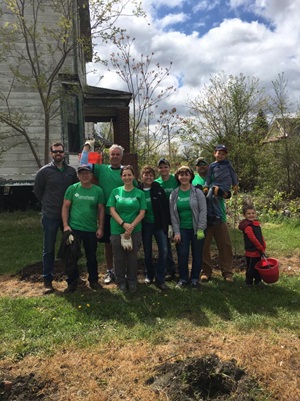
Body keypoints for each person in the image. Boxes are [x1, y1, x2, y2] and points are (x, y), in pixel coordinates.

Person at [80, 143, 129, 285]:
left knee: (124, 244)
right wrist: (87, 148)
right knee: (108, 244)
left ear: (121, 156)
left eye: (117, 154)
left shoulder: (126, 172)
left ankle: (123, 271)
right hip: (107, 214)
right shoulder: (101, 169)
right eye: (112, 154)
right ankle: (110, 270)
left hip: (124, 216)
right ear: (109, 156)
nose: (115, 156)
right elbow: (84, 164)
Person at [34, 141, 77, 294]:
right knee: (49, 249)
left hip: (68, 217)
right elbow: (38, 192)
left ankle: (72, 278)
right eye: (55, 152)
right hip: (50, 216)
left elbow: (75, 190)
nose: (58, 154)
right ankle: (47, 281)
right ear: (51, 153)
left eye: (60, 151)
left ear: (64, 153)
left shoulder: (71, 171)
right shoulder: (44, 172)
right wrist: (48, 204)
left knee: (70, 247)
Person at [61, 164, 105, 293]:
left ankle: (94, 280)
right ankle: (72, 282)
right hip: (74, 229)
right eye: (82, 173)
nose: (84, 176)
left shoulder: (98, 191)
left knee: (91, 256)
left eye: (87, 173)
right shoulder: (72, 189)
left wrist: (100, 227)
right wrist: (65, 226)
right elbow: (65, 207)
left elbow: (101, 209)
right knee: (72, 257)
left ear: (91, 175)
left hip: (91, 229)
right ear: (78, 176)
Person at [107, 165, 146, 293]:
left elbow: (142, 212)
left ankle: (132, 281)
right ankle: (120, 282)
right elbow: (112, 210)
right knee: (119, 257)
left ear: (134, 176)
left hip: (135, 230)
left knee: (132, 257)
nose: (127, 177)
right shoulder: (115, 192)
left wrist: (131, 226)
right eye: (124, 175)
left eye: (129, 175)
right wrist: (123, 224)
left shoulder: (140, 193)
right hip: (117, 229)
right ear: (121, 177)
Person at [197, 157, 235, 283]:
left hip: (220, 217)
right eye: (199, 165)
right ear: (196, 168)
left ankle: (227, 272)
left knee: (225, 245)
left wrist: (223, 193)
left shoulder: (216, 176)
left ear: (208, 166)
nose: (202, 166)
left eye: (204, 164)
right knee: (203, 247)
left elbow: (228, 194)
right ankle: (206, 272)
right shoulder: (193, 180)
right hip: (203, 219)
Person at [169, 165, 207, 289]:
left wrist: (201, 228)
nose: (184, 177)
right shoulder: (174, 194)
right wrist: (176, 231)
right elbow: (173, 215)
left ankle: (195, 279)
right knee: (182, 254)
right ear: (178, 177)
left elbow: (203, 211)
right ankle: (183, 278)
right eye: (181, 174)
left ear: (190, 176)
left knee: (197, 254)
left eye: (186, 174)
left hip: (197, 229)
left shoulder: (197, 192)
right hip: (182, 229)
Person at [139, 166, 169, 291]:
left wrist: (168, 224)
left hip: (158, 225)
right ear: (142, 176)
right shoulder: (138, 190)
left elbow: (165, 208)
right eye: (146, 175)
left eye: (151, 175)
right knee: (147, 252)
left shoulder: (158, 189)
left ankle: (160, 277)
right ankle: (149, 275)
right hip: (145, 225)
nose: (148, 177)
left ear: (154, 176)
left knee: (164, 250)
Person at [155, 158, 178, 280]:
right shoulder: (156, 183)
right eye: (161, 167)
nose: (163, 169)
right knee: (166, 245)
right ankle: (170, 269)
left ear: (169, 168)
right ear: (158, 169)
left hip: (177, 215)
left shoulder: (176, 180)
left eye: (166, 167)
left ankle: (183, 268)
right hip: (163, 217)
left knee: (179, 242)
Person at [204, 145, 238, 224]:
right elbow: (208, 177)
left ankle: (218, 216)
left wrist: (235, 185)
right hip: (215, 183)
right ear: (214, 153)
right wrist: (206, 186)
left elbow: (233, 174)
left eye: (223, 154)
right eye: (219, 153)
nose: (220, 156)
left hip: (225, 184)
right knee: (209, 197)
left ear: (225, 156)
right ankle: (210, 215)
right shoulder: (212, 165)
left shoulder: (228, 163)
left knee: (215, 197)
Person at [238, 204, 266, 287]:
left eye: (253, 213)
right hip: (251, 251)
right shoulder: (248, 227)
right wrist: (260, 247)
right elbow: (252, 238)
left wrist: (263, 245)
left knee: (258, 266)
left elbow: (260, 236)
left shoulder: (256, 224)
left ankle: (258, 281)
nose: (251, 215)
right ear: (244, 215)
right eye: (248, 214)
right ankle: (249, 282)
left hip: (258, 251)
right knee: (251, 268)